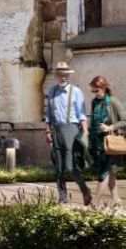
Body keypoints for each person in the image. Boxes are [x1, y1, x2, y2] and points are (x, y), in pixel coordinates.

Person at [44, 61, 93, 205]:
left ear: (68, 75)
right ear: (56, 76)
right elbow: (48, 114)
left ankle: (86, 192)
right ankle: (63, 197)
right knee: (59, 167)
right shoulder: (52, 91)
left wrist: (85, 132)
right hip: (56, 130)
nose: (63, 77)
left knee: (71, 167)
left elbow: (82, 114)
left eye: (66, 74)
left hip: (71, 128)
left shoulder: (76, 91)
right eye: (60, 74)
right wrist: (47, 131)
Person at [91, 76, 119, 207]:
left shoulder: (113, 102)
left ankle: (95, 203)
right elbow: (92, 122)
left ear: (104, 88)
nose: (95, 93)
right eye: (93, 91)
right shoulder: (94, 102)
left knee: (104, 172)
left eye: (97, 90)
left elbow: (124, 120)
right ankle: (117, 201)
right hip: (97, 142)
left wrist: (110, 127)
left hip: (109, 142)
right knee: (110, 171)